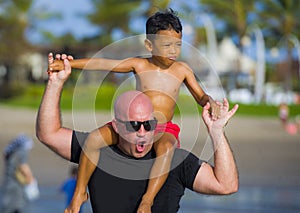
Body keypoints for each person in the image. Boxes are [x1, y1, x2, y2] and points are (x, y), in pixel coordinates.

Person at [49, 9, 221, 213]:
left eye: (178, 45)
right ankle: (79, 193)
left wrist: (210, 101)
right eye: (167, 45)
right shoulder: (139, 64)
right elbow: (102, 64)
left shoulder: (182, 70)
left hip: (163, 128)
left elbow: (200, 96)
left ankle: (147, 200)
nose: (173, 51)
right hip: (132, 124)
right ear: (150, 45)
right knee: (93, 140)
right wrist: (69, 63)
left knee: (166, 150)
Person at [36, 56, 239, 212]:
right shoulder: (96, 152)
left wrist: (216, 132)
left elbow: (227, 185)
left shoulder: (174, 160)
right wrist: (56, 83)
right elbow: (48, 134)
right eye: (134, 125)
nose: (143, 132)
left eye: (149, 124)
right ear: (116, 126)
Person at [1, 134, 36, 213]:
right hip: (16, 184)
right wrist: (31, 179)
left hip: (8, 181)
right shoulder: (21, 151)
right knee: (16, 206)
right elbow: (23, 167)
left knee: (7, 205)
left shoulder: (11, 152)